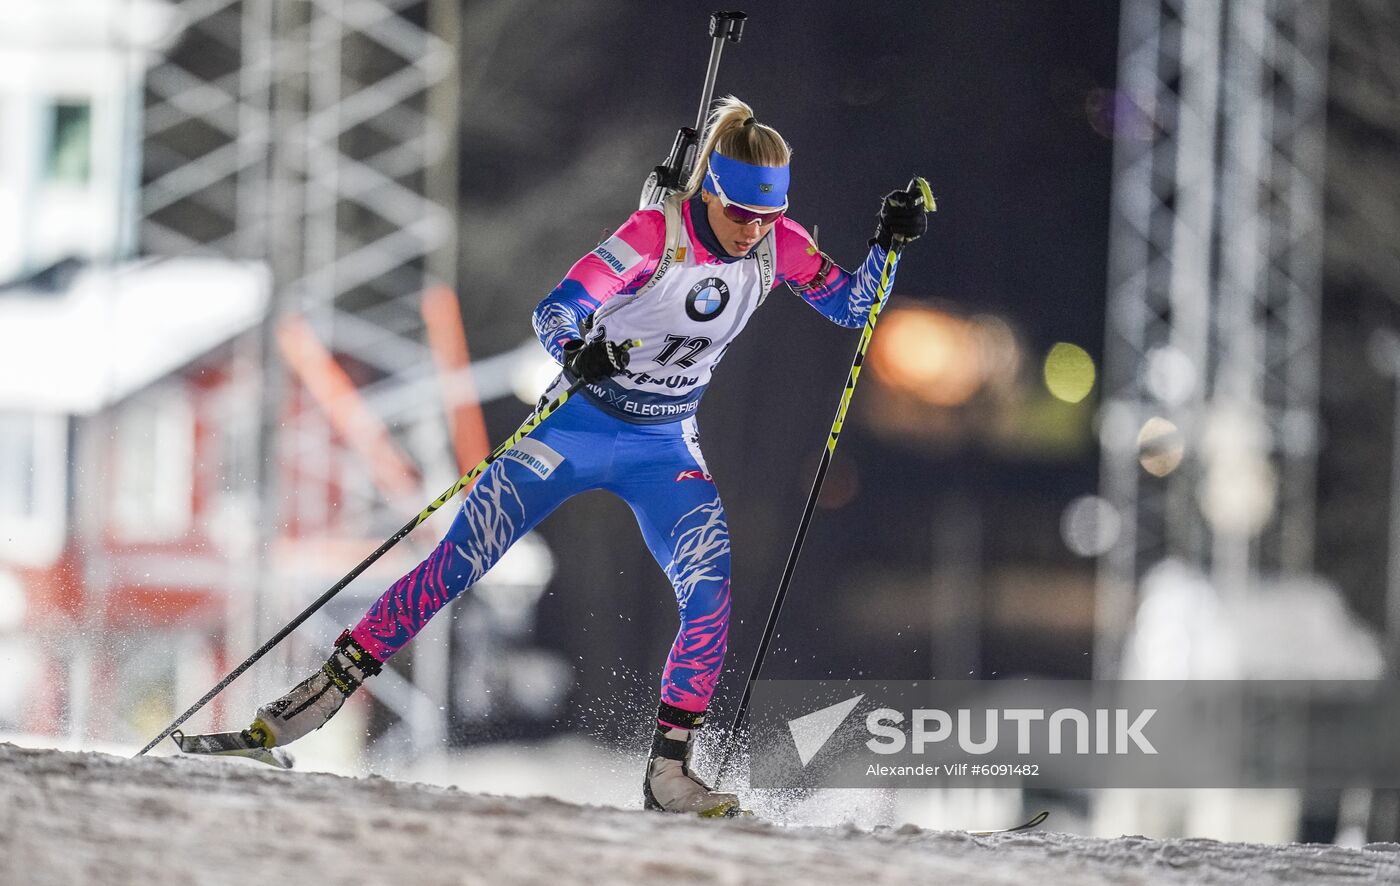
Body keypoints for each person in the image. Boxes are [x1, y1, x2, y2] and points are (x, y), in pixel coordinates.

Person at [246, 96, 928, 817]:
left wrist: (888, 246)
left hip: (661, 442)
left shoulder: (776, 244)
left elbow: (854, 308)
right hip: (574, 428)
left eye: (767, 216)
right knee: (458, 562)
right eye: (739, 214)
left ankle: (668, 772)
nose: (750, 232)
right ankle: (317, 697)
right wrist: (580, 350)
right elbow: (556, 311)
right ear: (711, 192)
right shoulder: (653, 233)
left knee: (709, 591)